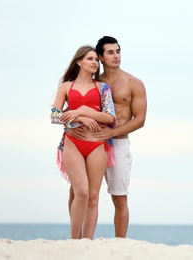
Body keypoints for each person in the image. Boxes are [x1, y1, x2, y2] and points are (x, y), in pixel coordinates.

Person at [68, 36, 147, 237]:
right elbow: (71, 111)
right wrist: (69, 128)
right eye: (110, 52)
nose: (116, 56)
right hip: (90, 142)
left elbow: (140, 120)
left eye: (118, 51)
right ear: (100, 57)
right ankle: (76, 239)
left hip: (118, 144)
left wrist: (112, 132)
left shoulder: (133, 82)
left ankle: (119, 244)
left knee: (119, 198)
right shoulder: (95, 83)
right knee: (78, 193)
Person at [50, 45, 117, 239]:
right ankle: (74, 241)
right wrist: (73, 123)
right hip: (72, 143)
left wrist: (82, 112)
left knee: (93, 197)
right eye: (90, 59)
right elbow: (54, 115)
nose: (95, 62)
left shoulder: (102, 87)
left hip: (97, 144)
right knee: (81, 192)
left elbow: (111, 118)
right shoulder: (66, 86)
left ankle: (88, 242)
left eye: (96, 59)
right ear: (79, 61)